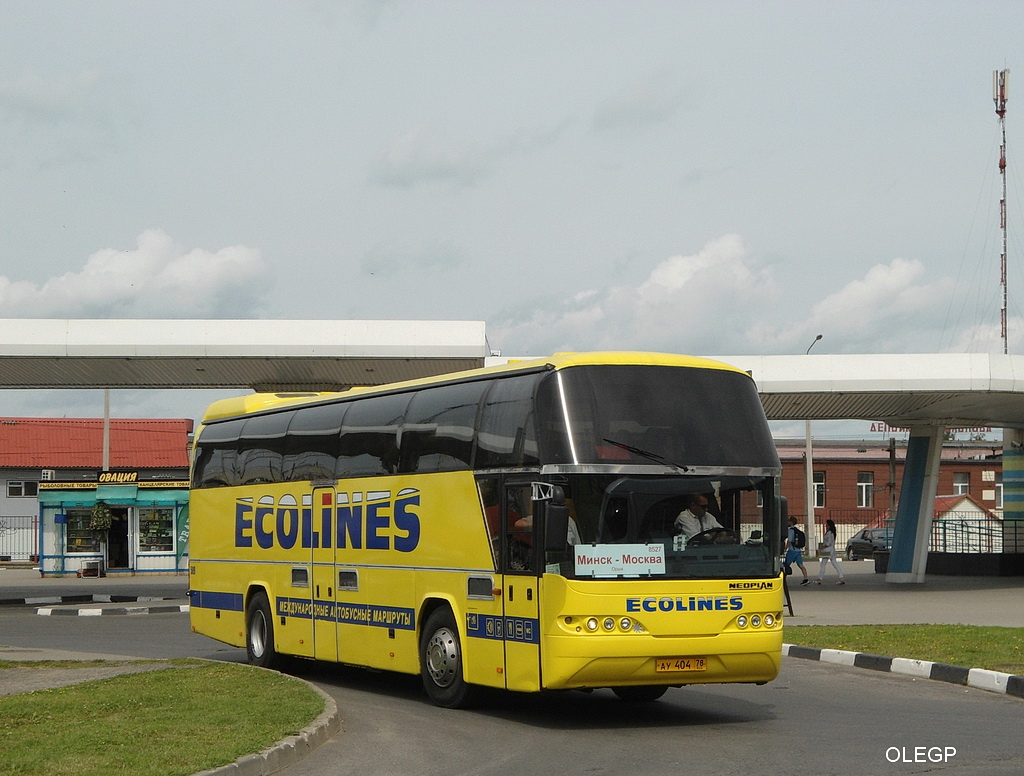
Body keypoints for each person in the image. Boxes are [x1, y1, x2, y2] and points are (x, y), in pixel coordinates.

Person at [816, 518, 845, 585]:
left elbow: (828, 542)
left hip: (827, 550)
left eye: (826, 524)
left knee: (823, 564)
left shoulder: (829, 533)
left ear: (828, 525)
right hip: (832, 550)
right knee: (835, 563)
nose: (826, 525)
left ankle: (819, 578)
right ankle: (841, 577)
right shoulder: (832, 532)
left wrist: (823, 546)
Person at [785, 516, 809, 585]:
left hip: (792, 551)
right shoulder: (797, 530)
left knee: (786, 565)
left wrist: (785, 549)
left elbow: (789, 541)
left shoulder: (790, 530)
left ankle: (783, 580)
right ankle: (806, 578)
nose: (787, 522)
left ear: (791, 522)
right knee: (800, 565)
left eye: (788, 521)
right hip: (798, 551)